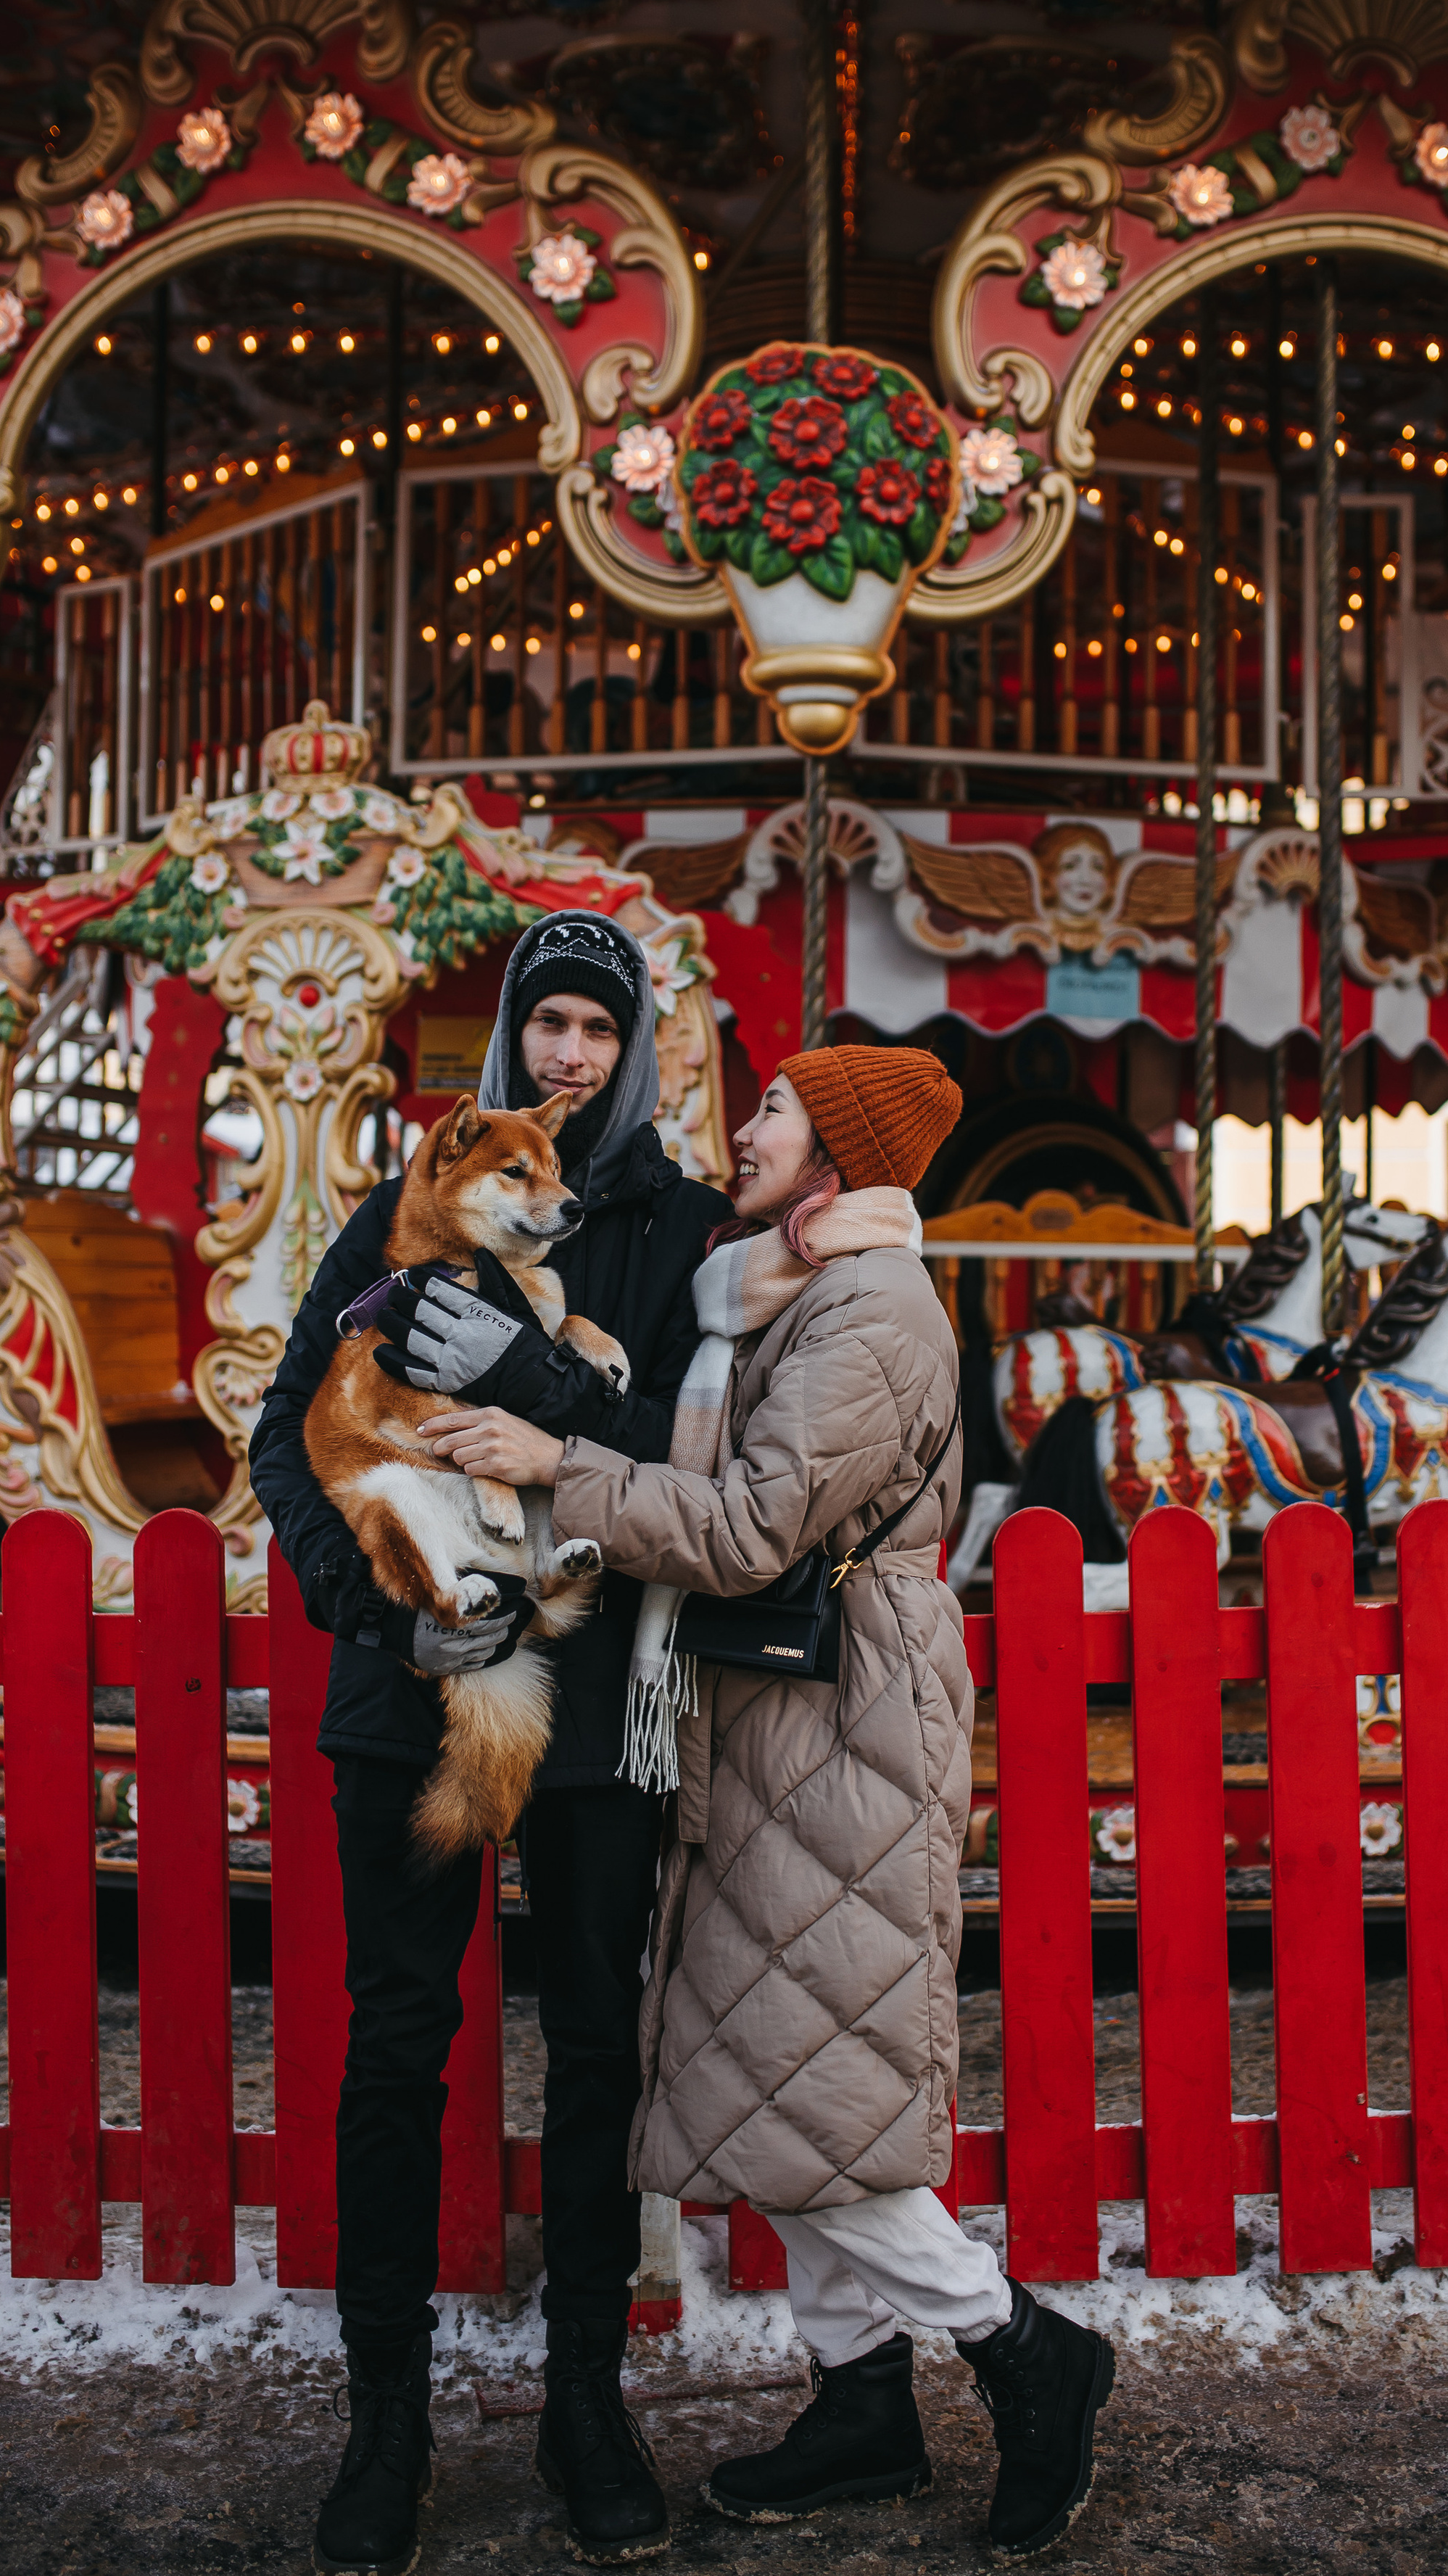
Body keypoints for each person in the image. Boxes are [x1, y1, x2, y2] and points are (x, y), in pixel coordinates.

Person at [419, 1044, 1116, 2561]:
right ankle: (860, 2402)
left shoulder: (869, 1312)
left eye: (781, 1110)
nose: (749, 1124)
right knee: (768, 2064)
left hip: (840, 1715)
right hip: (769, 1713)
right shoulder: (776, 1289)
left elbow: (745, 1530)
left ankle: (1023, 2353)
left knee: (804, 2073)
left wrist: (558, 1465)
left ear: (842, 1156)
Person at [249, 908, 731, 2576]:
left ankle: (584, 2399)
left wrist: (545, 1380)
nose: (568, 1055)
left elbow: (690, 1451)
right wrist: (365, 1606)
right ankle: (384, 2410)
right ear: (509, 1037)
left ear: (635, 1046)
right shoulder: (402, 1212)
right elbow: (284, 1430)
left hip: (592, 1704)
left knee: (599, 2045)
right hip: (409, 1684)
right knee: (398, 2044)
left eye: (598, 1029)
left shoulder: (679, 1228)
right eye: (546, 1024)